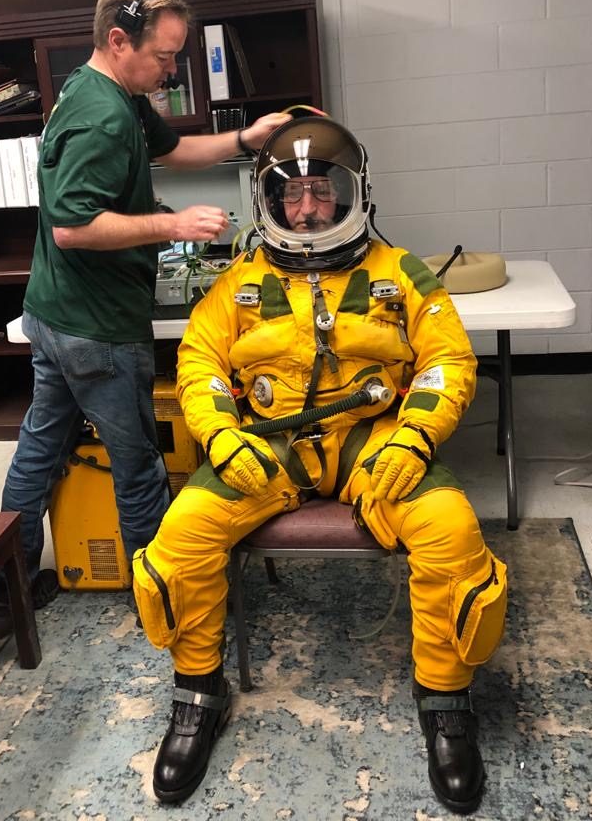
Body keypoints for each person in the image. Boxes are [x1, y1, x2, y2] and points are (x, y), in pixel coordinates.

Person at [132, 115, 508, 815]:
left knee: (453, 534)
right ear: (268, 203)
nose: (306, 209)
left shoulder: (400, 273)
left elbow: (448, 359)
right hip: (268, 447)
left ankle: (446, 702)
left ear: (354, 193)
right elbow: (200, 362)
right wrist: (219, 437)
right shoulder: (240, 281)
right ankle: (195, 696)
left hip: (379, 444)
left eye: (320, 192)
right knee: (179, 540)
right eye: (290, 195)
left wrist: (415, 438)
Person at [0, 0, 290, 623]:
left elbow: (172, 150)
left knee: (40, 444)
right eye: (165, 56)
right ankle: (162, 601)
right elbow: (72, 228)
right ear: (121, 41)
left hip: (52, 313)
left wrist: (247, 138)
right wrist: (173, 224)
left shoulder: (102, 90)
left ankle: (8, 592)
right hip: (96, 327)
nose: (173, 71)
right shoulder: (101, 118)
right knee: (139, 465)